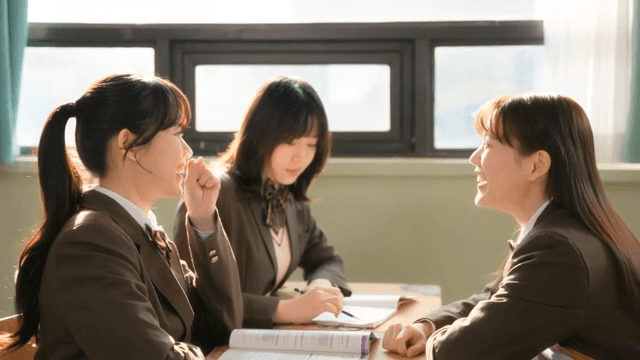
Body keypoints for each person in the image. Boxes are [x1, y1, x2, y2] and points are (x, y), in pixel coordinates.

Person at [0, 74, 243, 359]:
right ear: (128, 142)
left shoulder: (137, 229)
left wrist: (203, 220)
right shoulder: (89, 242)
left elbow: (221, 328)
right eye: (177, 134)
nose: (187, 150)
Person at [382, 94, 640, 359]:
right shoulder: (564, 230)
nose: (474, 158)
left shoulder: (558, 251)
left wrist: (437, 338)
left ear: (536, 165)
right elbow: (497, 301)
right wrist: (428, 325)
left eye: (488, 145)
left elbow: (459, 351)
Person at [174, 76, 350, 329]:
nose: (301, 157)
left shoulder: (288, 195)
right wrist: (285, 310)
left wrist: (321, 287)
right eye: (290, 142)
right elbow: (193, 295)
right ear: (261, 135)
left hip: (266, 340)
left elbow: (326, 259)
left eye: (311, 144)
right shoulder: (215, 193)